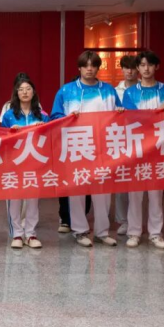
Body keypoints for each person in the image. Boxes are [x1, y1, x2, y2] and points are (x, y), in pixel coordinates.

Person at [50, 50, 123, 248]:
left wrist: (120, 111)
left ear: (98, 68)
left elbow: (121, 113)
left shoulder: (108, 90)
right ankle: (80, 230)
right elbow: (55, 116)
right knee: (77, 190)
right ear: (79, 68)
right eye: (86, 65)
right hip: (77, 146)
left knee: (103, 191)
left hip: (103, 147)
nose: (89, 69)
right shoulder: (66, 91)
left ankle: (102, 232)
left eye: (93, 65)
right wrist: (67, 117)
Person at [122, 50, 164, 249]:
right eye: (142, 65)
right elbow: (131, 118)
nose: (146, 69)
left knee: (156, 194)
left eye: (149, 64)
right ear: (138, 68)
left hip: (160, 149)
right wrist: (158, 113)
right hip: (137, 148)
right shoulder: (130, 93)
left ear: (157, 66)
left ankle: (156, 233)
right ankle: (134, 232)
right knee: (135, 193)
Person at [1, 77, 47, 249]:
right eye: (21, 89)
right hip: (14, 163)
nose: (25, 92)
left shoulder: (42, 115)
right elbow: (1, 138)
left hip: (35, 163)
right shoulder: (9, 115)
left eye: (28, 89)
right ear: (16, 93)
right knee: (15, 199)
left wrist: (43, 129)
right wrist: (11, 132)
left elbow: (51, 137)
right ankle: (17, 234)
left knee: (33, 200)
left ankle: (31, 234)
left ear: (33, 92)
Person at [114, 55, 138, 236]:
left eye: (133, 68)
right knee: (121, 183)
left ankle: (136, 222)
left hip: (142, 139)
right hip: (120, 139)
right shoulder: (115, 91)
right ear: (121, 69)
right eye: (126, 68)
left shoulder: (144, 89)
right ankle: (122, 221)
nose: (130, 71)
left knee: (139, 183)